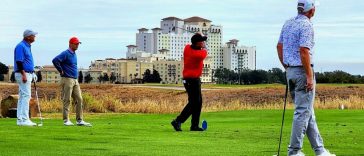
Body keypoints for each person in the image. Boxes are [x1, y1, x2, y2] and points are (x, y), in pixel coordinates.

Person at [277, 0, 335, 155]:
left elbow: (279, 46)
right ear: (311, 10)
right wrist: (309, 76)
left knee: (308, 112)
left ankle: (320, 150)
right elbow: (304, 51)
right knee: (303, 112)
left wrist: (287, 67)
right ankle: (294, 151)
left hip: (291, 71)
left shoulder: (288, 23)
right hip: (303, 72)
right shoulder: (307, 25)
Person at [171, 33, 208, 131]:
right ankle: (178, 121)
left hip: (190, 80)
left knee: (198, 102)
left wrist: (200, 40)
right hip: (192, 80)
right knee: (194, 103)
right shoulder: (199, 54)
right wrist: (204, 46)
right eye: (202, 41)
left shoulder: (187, 48)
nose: (203, 42)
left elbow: (193, 46)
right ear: (197, 43)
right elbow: (205, 51)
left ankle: (194, 125)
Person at [52, 37, 91, 126]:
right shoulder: (65, 53)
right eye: (76, 43)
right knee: (67, 99)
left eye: (78, 44)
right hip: (67, 79)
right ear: (70, 44)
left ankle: (79, 120)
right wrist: (60, 70)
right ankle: (66, 120)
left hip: (75, 80)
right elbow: (55, 60)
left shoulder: (74, 54)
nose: (77, 45)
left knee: (79, 99)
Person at [14, 29, 38, 126]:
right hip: (23, 74)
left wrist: (32, 73)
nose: (34, 37)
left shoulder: (27, 46)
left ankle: (20, 119)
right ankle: (24, 119)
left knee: (22, 96)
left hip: (28, 73)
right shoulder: (21, 46)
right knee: (26, 96)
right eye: (33, 35)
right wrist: (24, 74)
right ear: (28, 37)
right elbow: (19, 62)